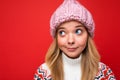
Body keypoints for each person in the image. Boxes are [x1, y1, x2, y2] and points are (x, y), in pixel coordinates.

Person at [34, 0, 116, 80]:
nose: (70, 41)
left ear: (88, 35)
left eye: (78, 31)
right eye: (62, 32)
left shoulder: (103, 73)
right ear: (56, 38)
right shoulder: (44, 73)